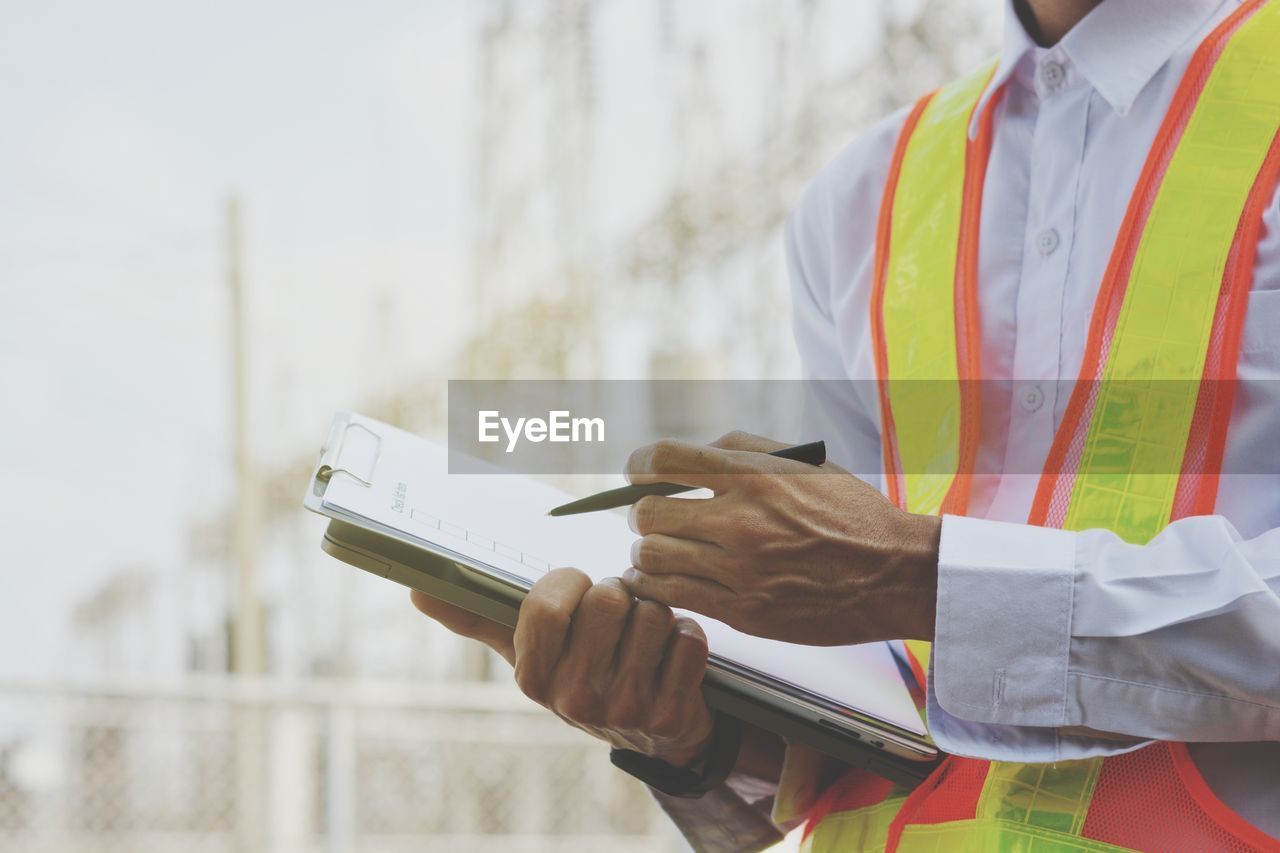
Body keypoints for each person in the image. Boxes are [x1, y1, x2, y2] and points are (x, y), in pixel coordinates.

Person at [412, 0, 1280, 849]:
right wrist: (686, 733)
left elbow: (896, 581)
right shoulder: (864, 194)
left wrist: (923, 577)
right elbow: (879, 713)